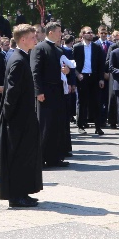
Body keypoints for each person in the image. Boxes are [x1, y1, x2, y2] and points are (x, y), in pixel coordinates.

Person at [0, 24, 42, 207]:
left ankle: (23, 191)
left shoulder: (23, 56)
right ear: (23, 39)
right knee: (17, 156)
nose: (36, 39)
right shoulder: (18, 60)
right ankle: (16, 196)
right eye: (33, 37)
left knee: (25, 156)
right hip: (18, 118)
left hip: (24, 115)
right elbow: (12, 92)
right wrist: (9, 116)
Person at [31, 22, 70, 167]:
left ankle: (54, 157)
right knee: (45, 125)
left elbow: (63, 68)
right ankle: (40, 159)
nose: (61, 34)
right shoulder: (40, 48)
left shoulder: (59, 49)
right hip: (45, 92)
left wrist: (67, 71)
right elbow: (35, 72)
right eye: (59, 31)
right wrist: (38, 91)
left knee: (56, 124)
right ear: (51, 32)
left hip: (58, 90)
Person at [73, 26, 106, 135]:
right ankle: (81, 125)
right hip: (83, 77)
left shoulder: (97, 47)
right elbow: (72, 64)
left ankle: (98, 126)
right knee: (82, 102)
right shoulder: (77, 47)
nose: (91, 34)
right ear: (82, 35)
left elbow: (101, 64)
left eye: (92, 32)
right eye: (88, 33)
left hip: (94, 77)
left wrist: (101, 78)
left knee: (96, 102)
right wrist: (78, 74)